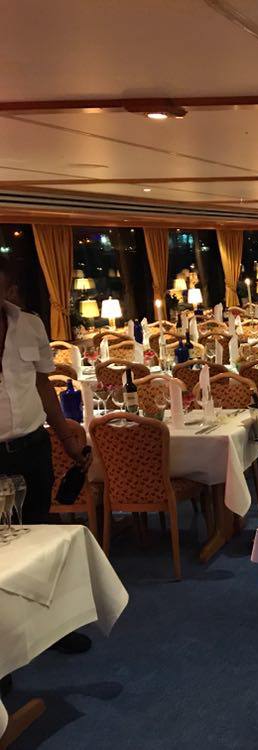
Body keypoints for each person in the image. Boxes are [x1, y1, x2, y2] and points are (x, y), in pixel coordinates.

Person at [0, 258, 91, 652]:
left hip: (32, 446)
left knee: (41, 537)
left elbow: (43, 386)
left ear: (8, 289)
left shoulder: (30, 325)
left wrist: (68, 440)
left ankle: (54, 626)